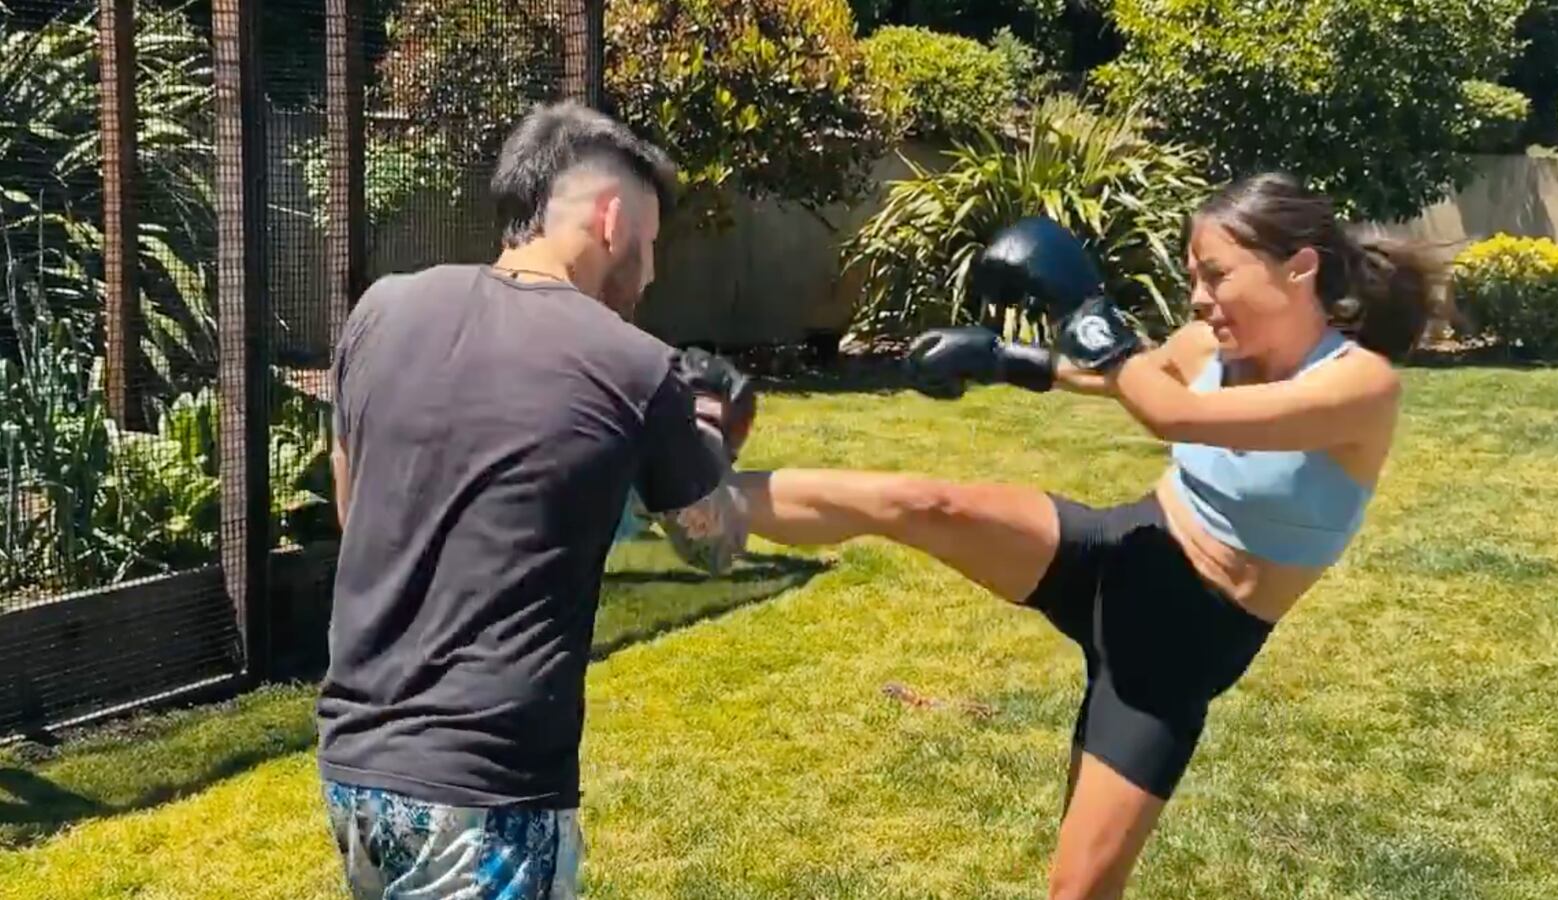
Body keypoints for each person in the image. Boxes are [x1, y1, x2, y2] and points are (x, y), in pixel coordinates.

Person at [726, 172, 1448, 899]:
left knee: (1077, 894)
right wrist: (1004, 360)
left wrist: (1086, 310)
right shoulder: (1206, 345)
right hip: (1123, 548)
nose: (1199, 298)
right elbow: (1123, 377)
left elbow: (1174, 414)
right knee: (921, 503)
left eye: (1217, 275)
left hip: (1177, 648)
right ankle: (695, 497)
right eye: (1193, 278)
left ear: (1300, 267)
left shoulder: (1358, 387)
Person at [315, 101, 757, 900]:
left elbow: (355, 505)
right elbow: (715, 541)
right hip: (487, 792)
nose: (652, 274)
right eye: (652, 244)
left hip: (356, 772)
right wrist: (712, 442)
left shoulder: (379, 310)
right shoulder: (633, 364)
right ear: (612, 219)